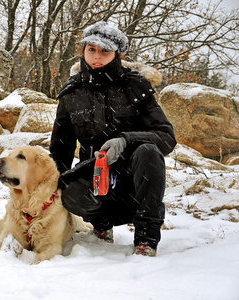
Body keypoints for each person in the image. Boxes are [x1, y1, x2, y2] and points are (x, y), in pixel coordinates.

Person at [50, 21, 177, 256]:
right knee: (69, 190)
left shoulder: (135, 85)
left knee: (148, 152)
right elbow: (61, 149)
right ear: (83, 51)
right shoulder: (71, 92)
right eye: (91, 50)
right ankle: (101, 225)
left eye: (105, 51)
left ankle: (146, 239)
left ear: (116, 54)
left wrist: (127, 140)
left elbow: (166, 136)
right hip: (95, 176)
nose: (97, 56)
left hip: (132, 178)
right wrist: (49, 192)